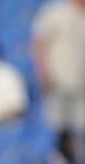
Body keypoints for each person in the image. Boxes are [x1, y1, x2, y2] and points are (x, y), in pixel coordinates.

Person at [32, 0, 85, 134]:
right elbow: (39, 43)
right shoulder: (55, 11)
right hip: (57, 82)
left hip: (81, 84)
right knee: (57, 129)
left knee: (80, 129)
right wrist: (43, 74)